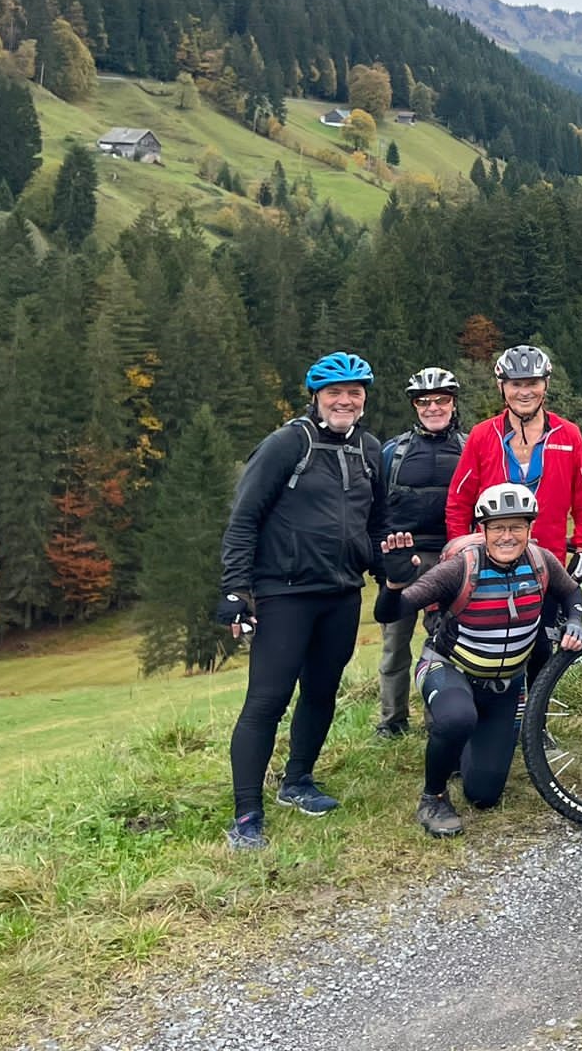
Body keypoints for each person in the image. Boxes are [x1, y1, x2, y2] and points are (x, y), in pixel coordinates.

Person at [216, 351, 389, 850]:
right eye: (335, 392)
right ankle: (247, 815)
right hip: (284, 593)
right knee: (267, 700)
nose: (345, 400)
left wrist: (387, 571)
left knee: (321, 691)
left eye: (354, 393)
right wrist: (236, 589)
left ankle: (297, 782)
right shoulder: (287, 444)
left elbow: (375, 523)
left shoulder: (369, 449)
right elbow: (244, 519)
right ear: (316, 397)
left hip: (342, 593)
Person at [374, 482, 582, 836]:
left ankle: (459, 743)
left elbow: (572, 592)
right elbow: (389, 613)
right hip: (449, 668)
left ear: (529, 528)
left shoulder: (541, 561)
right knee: (457, 718)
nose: (507, 536)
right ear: (482, 530)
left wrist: (576, 621)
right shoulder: (461, 568)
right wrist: (394, 585)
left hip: (505, 687)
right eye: (498, 527)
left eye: (516, 526)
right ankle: (433, 798)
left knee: (484, 795)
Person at [374, 367, 467, 738]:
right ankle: (391, 721)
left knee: (446, 643)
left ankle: (440, 719)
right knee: (395, 645)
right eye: (424, 401)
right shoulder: (392, 452)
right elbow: (376, 508)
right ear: (414, 406)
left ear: (453, 403)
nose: (433, 408)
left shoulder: (469, 447)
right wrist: (379, 561)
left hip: (450, 559)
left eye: (441, 400)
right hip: (402, 561)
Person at [444, 344, 582, 566]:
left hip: (548, 560)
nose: (525, 392)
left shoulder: (568, 434)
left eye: (533, 383)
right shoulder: (482, 435)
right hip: (489, 561)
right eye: (516, 384)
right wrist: (460, 548)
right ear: (501, 386)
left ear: (546, 385)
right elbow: (459, 500)